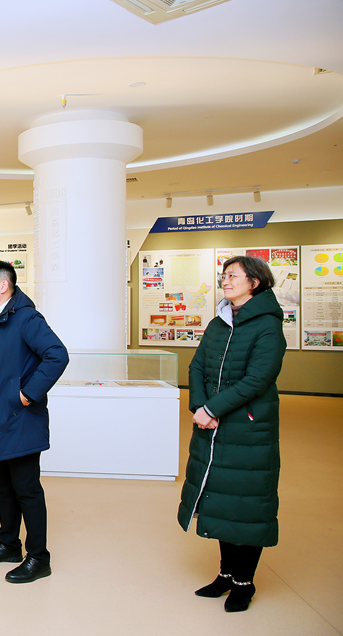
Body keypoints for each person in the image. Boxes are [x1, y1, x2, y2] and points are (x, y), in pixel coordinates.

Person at [178, 256, 286, 613]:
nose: (225, 281)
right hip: (212, 427)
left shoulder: (267, 325)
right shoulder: (219, 322)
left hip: (247, 428)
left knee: (246, 505)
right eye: (224, 276)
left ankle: (244, 582)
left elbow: (258, 379)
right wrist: (199, 406)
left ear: (254, 282)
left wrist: (213, 409)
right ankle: (226, 574)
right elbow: (197, 366)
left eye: (233, 276)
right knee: (220, 501)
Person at [0, 260, 68, 584]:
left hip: (19, 418)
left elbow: (57, 354)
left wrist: (27, 394)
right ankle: (8, 544)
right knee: (3, 486)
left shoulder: (26, 318)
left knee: (26, 489)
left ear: (4, 286)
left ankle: (38, 558)